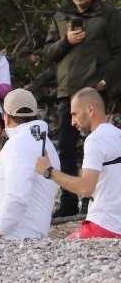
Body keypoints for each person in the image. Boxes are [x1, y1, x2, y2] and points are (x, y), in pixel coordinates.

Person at [39, 0, 121, 218]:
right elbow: (47, 54)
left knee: (95, 146)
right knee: (65, 146)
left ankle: (92, 198)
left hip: (97, 92)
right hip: (67, 91)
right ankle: (68, 201)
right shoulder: (61, 15)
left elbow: (119, 52)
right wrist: (66, 41)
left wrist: (106, 79)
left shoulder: (109, 14)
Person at [0, 89, 60, 240]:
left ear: (5, 117)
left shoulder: (18, 144)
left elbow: (17, 197)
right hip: (33, 231)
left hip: (11, 235)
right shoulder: (46, 144)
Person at [36, 87, 121, 239]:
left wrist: (49, 171)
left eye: (74, 114)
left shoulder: (95, 139)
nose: (73, 122)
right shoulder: (117, 134)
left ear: (90, 109)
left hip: (102, 226)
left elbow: (85, 189)